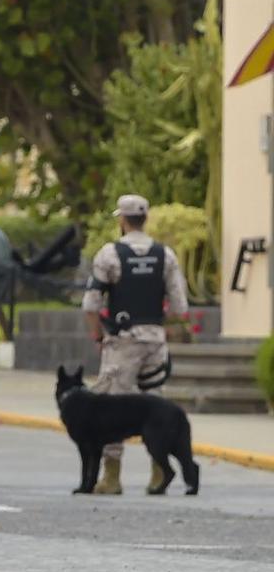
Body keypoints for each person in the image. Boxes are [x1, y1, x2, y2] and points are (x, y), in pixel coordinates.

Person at [81, 193, 190, 495]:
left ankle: (112, 477)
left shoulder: (109, 254)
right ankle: (158, 473)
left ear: (122, 220)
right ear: (146, 218)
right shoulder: (165, 255)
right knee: (155, 408)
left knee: (113, 408)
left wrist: (98, 336)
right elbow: (181, 307)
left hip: (122, 342)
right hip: (155, 341)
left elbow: (90, 304)